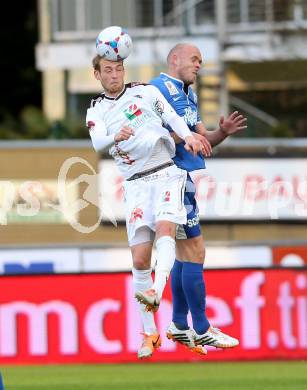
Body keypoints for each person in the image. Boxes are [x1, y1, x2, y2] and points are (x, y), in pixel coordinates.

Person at [86, 54, 206, 359]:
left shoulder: (146, 92)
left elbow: (170, 116)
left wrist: (189, 135)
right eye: (108, 71)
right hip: (135, 184)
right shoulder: (96, 110)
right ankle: (150, 333)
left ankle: (156, 290)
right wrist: (117, 135)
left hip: (166, 171)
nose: (114, 75)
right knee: (140, 260)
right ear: (97, 75)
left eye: (118, 69)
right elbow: (98, 143)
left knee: (167, 229)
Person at [150, 43, 247, 351]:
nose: (199, 65)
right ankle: (201, 327)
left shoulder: (188, 95)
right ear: (174, 59)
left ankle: (180, 324)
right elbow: (151, 136)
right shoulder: (156, 89)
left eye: (201, 61)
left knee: (185, 253)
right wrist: (184, 136)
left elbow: (202, 141)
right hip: (169, 180)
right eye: (194, 59)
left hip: (185, 180)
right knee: (197, 251)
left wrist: (223, 133)